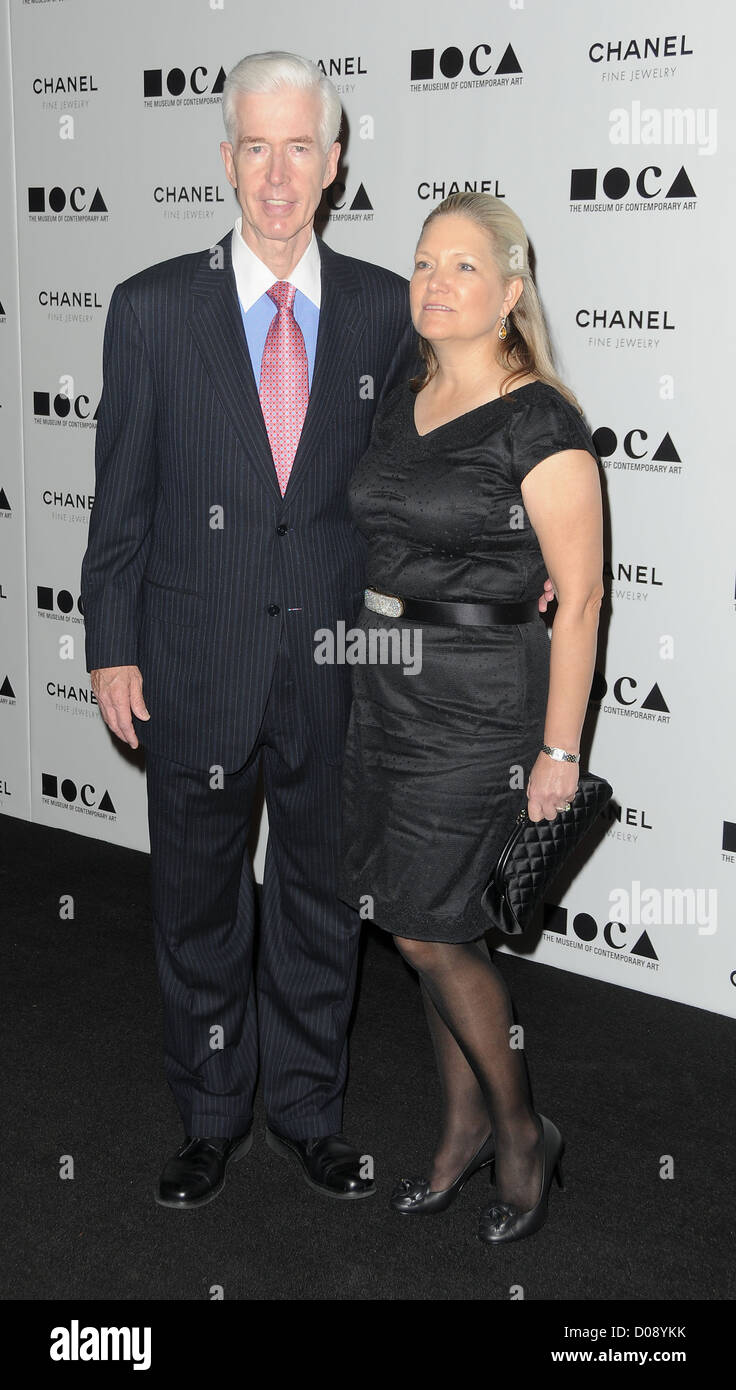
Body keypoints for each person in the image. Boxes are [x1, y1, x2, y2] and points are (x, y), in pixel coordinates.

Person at [81, 52, 553, 1212]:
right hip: (193, 658)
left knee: (312, 900)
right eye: (256, 146)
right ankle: (208, 1115)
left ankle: (303, 1111)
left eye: (302, 147)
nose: (278, 172)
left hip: (346, 665)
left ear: (335, 163)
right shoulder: (150, 307)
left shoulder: (395, 309)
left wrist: (523, 555)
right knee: (197, 897)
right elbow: (120, 497)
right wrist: (107, 641)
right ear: (227, 158)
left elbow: (468, 434)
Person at [338, 192, 604, 1244]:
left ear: (507, 291)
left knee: (427, 926)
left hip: (481, 696)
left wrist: (557, 749)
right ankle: (456, 1134)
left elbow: (578, 597)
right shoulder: (400, 396)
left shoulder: (540, 417)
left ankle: (521, 1131)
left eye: (460, 267)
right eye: (421, 265)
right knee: (418, 921)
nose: (435, 284)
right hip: (384, 678)